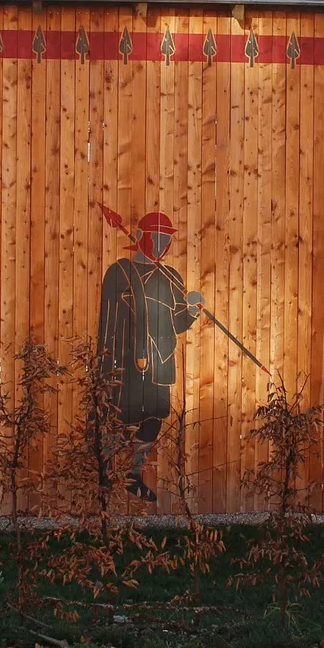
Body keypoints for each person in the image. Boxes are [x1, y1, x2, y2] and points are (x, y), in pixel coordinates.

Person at [95, 211, 204, 502]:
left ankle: (134, 474)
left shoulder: (171, 277)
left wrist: (192, 310)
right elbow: (110, 319)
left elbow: (177, 322)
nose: (161, 245)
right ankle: (105, 474)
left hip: (161, 363)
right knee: (119, 416)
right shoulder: (119, 272)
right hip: (126, 359)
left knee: (154, 416)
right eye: (157, 238)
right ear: (144, 238)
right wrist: (106, 363)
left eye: (166, 239)